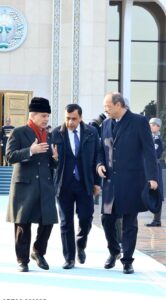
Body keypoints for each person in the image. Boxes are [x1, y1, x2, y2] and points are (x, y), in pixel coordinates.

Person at [97, 92, 158, 274]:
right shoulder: (106, 124)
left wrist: (153, 177)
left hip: (132, 181)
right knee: (107, 219)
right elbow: (102, 149)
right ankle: (114, 251)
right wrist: (99, 164)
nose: (105, 110)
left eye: (107, 106)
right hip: (110, 182)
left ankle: (127, 260)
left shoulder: (139, 121)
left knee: (130, 222)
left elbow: (149, 151)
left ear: (119, 105)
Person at [6, 97, 58, 272]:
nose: (46, 119)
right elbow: (10, 156)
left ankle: (38, 251)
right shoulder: (18, 133)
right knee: (23, 224)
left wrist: (55, 159)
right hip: (24, 186)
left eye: (48, 117)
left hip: (45, 184)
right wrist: (30, 150)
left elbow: (50, 163)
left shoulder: (48, 135)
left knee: (48, 221)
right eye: (43, 116)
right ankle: (23, 260)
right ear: (33, 115)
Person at [52, 103, 101, 269]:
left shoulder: (91, 133)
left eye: (73, 119)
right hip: (64, 185)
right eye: (67, 118)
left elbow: (97, 158)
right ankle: (69, 258)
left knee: (86, 217)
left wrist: (97, 183)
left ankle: (81, 243)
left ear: (80, 118)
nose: (70, 122)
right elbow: (51, 161)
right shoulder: (56, 133)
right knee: (66, 222)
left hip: (84, 183)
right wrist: (54, 159)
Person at [146, 117, 164, 227]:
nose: (150, 126)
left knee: (157, 192)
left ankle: (157, 220)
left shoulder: (157, 139)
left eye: (152, 124)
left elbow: (155, 154)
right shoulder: (151, 138)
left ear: (158, 127)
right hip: (149, 166)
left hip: (155, 167)